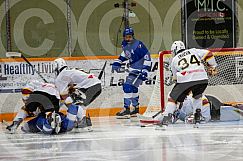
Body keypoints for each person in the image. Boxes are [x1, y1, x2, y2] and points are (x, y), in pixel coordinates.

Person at [159, 40, 218, 126]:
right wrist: (213, 66)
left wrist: (182, 93)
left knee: (172, 97)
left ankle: (166, 118)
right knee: (197, 96)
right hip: (202, 78)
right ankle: (197, 116)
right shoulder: (193, 50)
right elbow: (208, 53)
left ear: (174, 50)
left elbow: (176, 79)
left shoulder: (175, 59)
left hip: (186, 79)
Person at [112, 27, 151, 118]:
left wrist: (145, 70)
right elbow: (126, 54)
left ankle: (127, 109)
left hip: (140, 70)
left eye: (130, 37)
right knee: (133, 88)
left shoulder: (139, 45)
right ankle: (136, 108)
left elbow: (147, 57)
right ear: (124, 37)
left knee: (127, 86)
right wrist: (118, 62)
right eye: (126, 37)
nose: (128, 39)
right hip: (133, 69)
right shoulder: (125, 44)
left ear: (133, 36)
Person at [53, 58, 102, 127]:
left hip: (90, 86)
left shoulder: (61, 75)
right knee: (76, 101)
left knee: (71, 101)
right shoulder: (70, 71)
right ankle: (84, 119)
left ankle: (82, 119)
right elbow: (73, 87)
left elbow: (62, 96)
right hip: (96, 86)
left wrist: (55, 109)